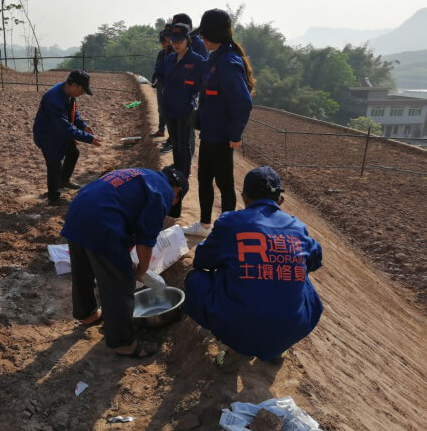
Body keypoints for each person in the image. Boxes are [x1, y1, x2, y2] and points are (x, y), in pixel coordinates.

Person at [184, 167, 324, 367]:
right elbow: (315, 260)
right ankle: (278, 347)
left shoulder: (230, 222)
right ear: (280, 201)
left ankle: (233, 346)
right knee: (301, 274)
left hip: (238, 327)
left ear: (244, 198)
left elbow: (201, 262)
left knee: (195, 278)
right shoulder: (298, 227)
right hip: (292, 328)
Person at [61, 167, 189, 357]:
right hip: (102, 222)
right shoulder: (162, 192)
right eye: (175, 202)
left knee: (83, 269)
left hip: (78, 211)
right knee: (119, 281)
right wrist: (141, 269)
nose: (171, 205)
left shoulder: (144, 174)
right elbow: (145, 240)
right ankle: (123, 343)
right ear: (177, 191)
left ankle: (87, 313)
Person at [182, 8, 254, 237]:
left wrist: (235, 135)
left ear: (214, 34)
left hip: (222, 136)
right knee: (204, 179)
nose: (201, 40)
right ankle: (204, 226)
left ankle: (226, 232)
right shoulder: (216, 57)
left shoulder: (228, 62)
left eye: (204, 35)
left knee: (224, 184)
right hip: (210, 133)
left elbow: (243, 103)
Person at [32, 70, 102, 205]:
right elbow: (65, 127)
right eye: (82, 90)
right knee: (54, 164)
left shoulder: (68, 93)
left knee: (73, 152)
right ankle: (53, 197)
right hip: (48, 135)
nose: (82, 94)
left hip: (59, 132)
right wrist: (89, 138)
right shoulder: (53, 99)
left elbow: (73, 113)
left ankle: (63, 181)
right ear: (74, 85)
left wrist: (83, 125)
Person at [161, 23, 205, 178]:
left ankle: (183, 175)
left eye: (179, 41)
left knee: (184, 145)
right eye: (173, 42)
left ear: (188, 40)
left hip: (185, 108)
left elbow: (202, 85)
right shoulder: (170, 58)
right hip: (169, 108)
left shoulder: (197, 61)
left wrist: (191, 94)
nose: (175, 45)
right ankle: (177, 173)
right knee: (175, 143)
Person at [151, 25, 174, 144]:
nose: (165, 43)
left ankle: (171, 138)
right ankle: (161, 129)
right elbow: (157, 68)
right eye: (163, 41)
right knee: (161, 109)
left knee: (169, 111)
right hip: (160, 84)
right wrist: (154, 78)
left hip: (170, 86)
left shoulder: (174, 53)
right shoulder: (161, 53)